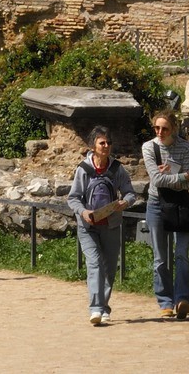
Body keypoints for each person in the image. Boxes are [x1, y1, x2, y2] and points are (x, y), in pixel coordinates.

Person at [66, 126, 138, 326]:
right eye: (102, 143)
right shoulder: (83, 169)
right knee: (95, 263)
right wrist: (83, 212)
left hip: (111, 224)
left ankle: (104, 308)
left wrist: (126, 202)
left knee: (109, 268)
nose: (106, 146)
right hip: (88, 226)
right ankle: (95, 309)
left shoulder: (117, 169)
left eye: (108, 143)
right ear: (93, 146)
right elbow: (73, 198)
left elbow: (130, 193)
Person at [142, 110, 189, 319]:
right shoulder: (149, 147)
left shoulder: (184, 146)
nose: (160, 132)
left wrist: (175, 176)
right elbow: (157, 180)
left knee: (182, 253)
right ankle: (165, 301)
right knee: (160, 258)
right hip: (157, 204)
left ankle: (182, 299)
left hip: (181, 204)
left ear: (173, 128)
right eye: (157, 128)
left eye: (164, 128)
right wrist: (182, 175)